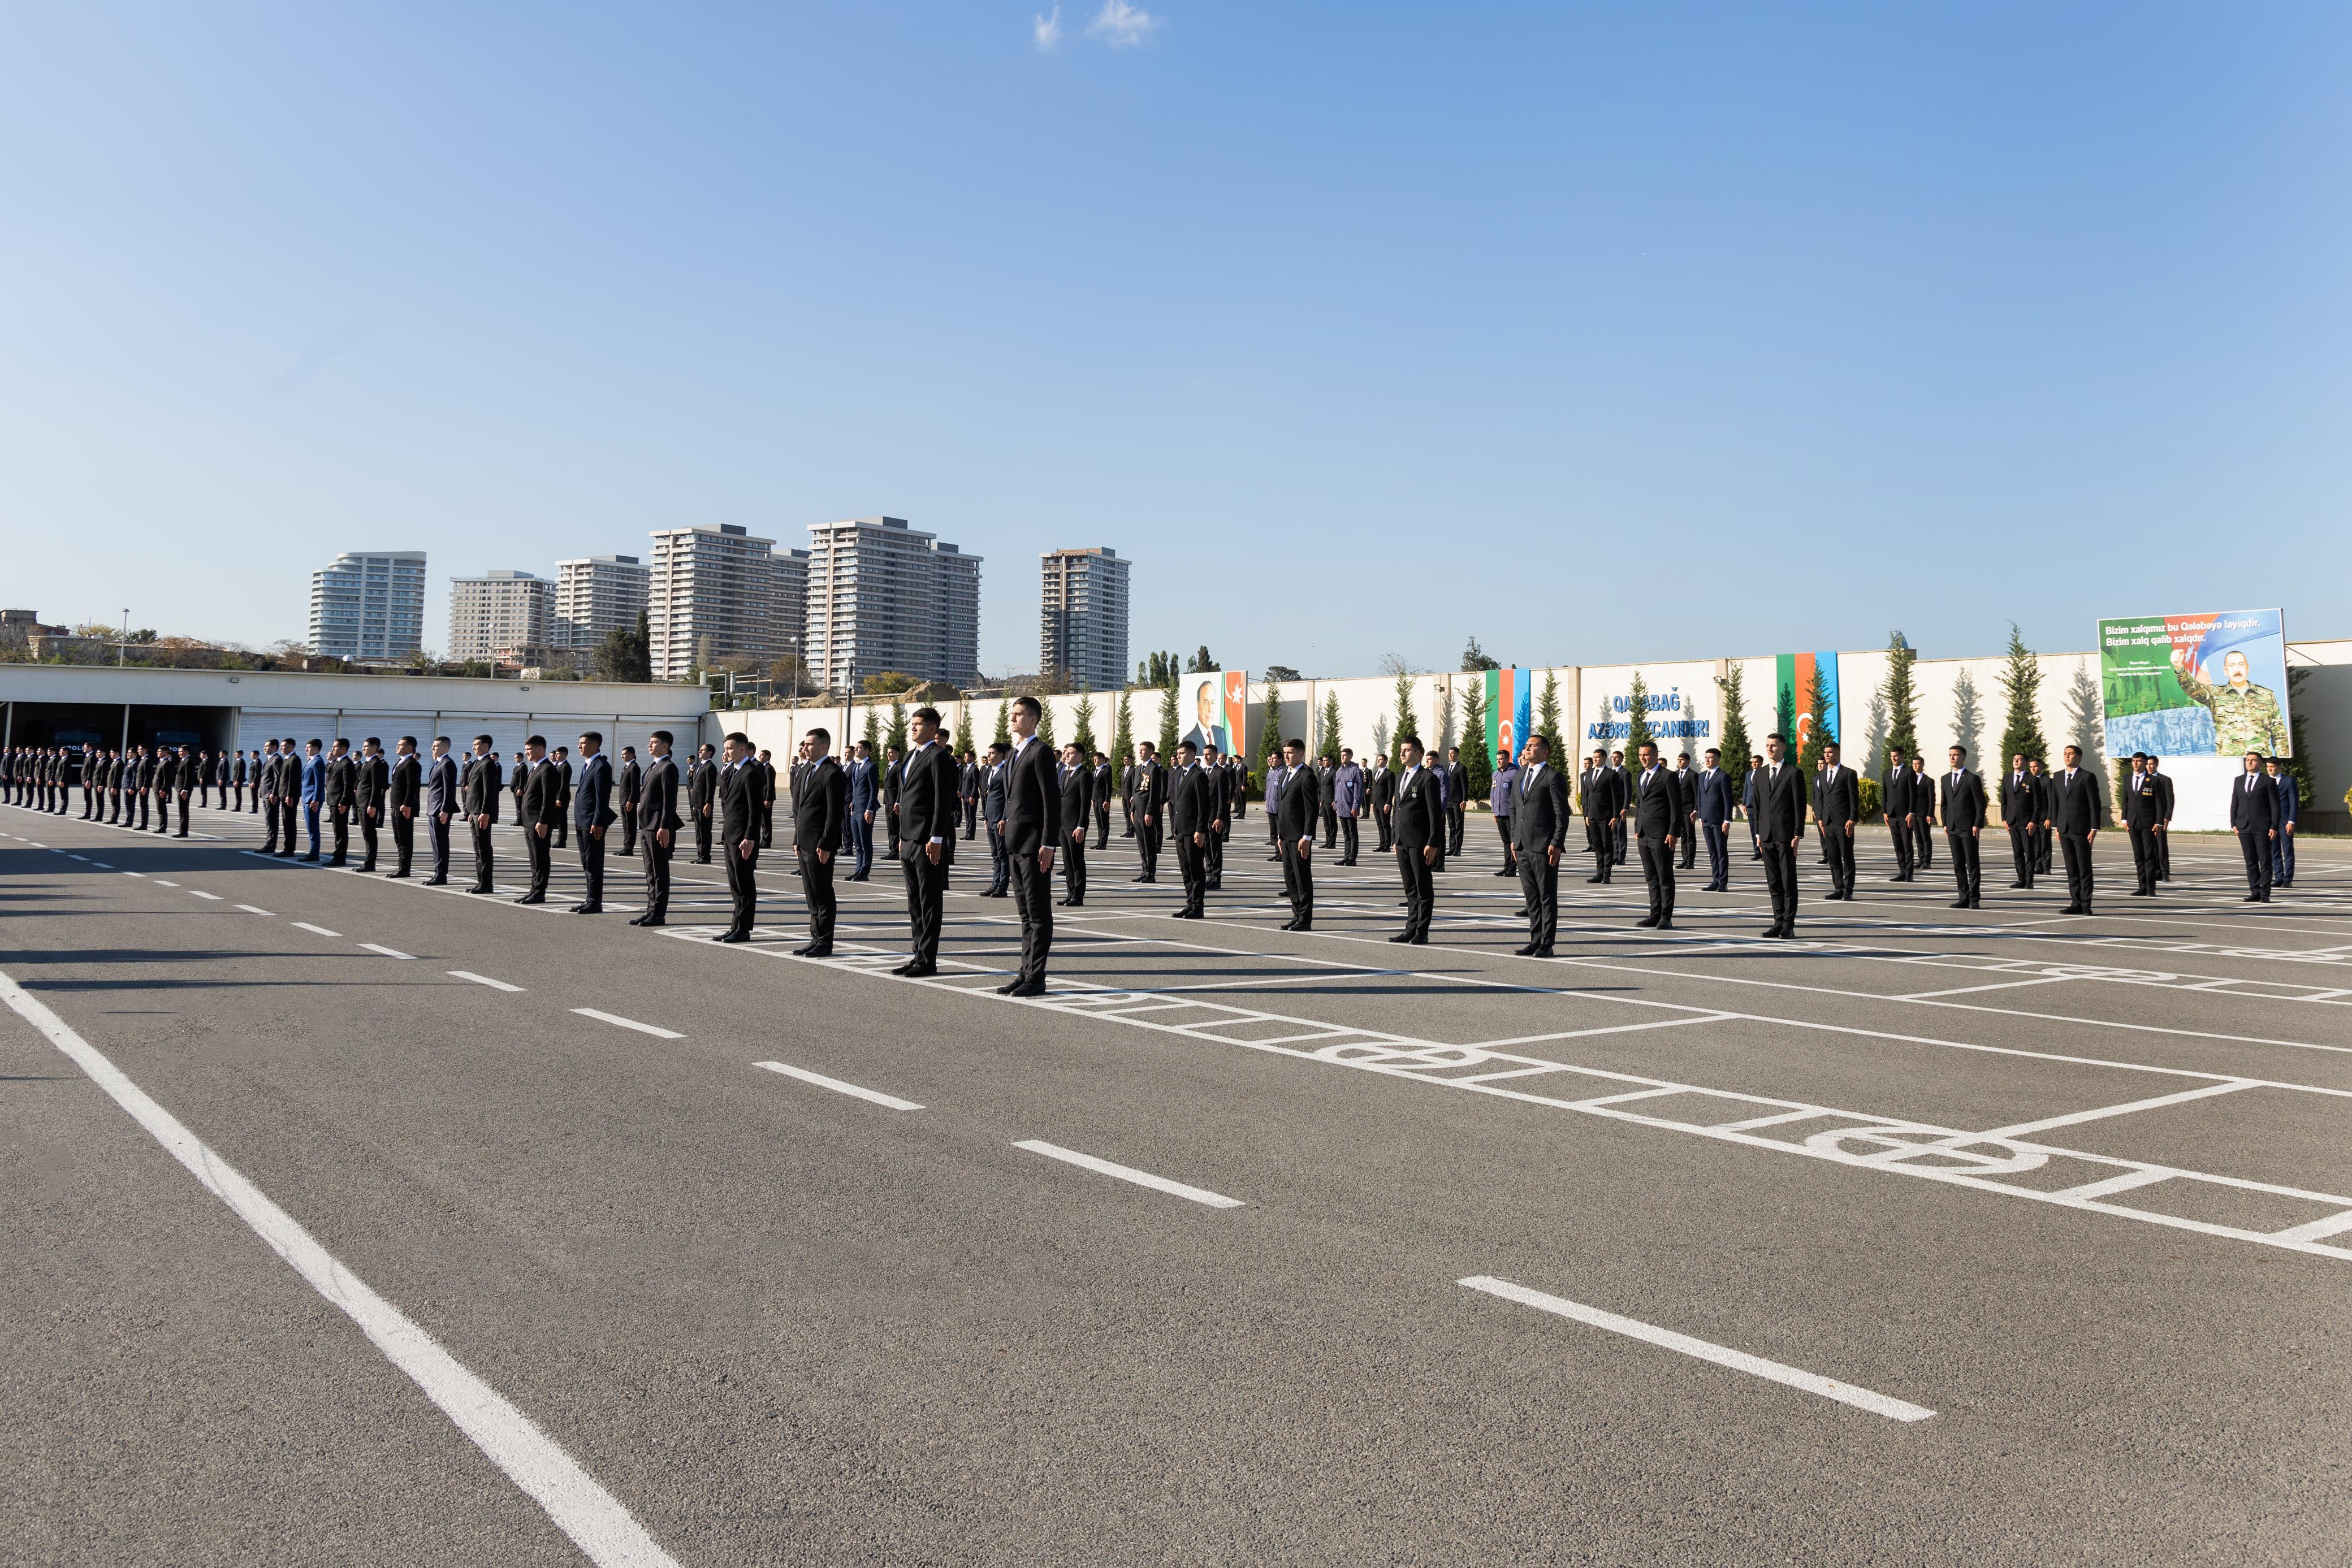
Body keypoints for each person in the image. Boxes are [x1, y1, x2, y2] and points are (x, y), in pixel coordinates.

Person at [997, 696, 1062, 988]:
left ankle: (1036, 977)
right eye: (1012, 714)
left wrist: (1048, 843)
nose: (1013, 719)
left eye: (1018, 714)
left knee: (1037, 912)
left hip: (1035, 845)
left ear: (1033, 719)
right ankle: (1025, 973)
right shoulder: (1014, 753)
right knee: (1025, 913)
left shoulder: (1041, 752)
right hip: (1015, 842)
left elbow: (1051, 802)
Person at [894, 707, 957, 977]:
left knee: (929, 900)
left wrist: (936, 837)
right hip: (908, 839)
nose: (913, 728)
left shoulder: (938, 757)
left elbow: (943, 801)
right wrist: (901, 836)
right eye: (912, 724)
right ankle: (917, 954)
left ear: (933, 729)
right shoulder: (911, 756)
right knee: (914, 901)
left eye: (919, 724)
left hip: (927, 840)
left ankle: (928, 960)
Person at [788, 727, 846, 954]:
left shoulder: (833, 773)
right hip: (804, 842)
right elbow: (800, 809)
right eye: (805, 744)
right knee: (811, 894)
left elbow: (834, 814)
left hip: (820, 844)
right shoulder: (805, 771)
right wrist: (796, 838)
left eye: (810, 744)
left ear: (824, 746)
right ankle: (815, 938)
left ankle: (825, 942)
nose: (805, 748)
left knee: (822, 893)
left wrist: (827, 843)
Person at [2173, 645, 2289, 757]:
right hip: (2228, 761)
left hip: (2260, 762)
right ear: (2225, 670)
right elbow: (2192, 688)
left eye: (2241, 665)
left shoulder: (2266, 695)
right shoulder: (2215, 694)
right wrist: (2179, 668)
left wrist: (2282, 759)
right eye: (2232, 665)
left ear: (2247, 668)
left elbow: (2280, 733)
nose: (2237, 669)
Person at [1511, 734, 1569, 956]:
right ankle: (1535, 939)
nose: (1527, 750)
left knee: (1546, 895)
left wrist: (1556, 843)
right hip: (1523, 845)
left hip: (1544, 845)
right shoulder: (1520, 775)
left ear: (1545, 751)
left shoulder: (1553, 776)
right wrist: (1514, 840)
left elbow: (1561, 812)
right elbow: (1515, 809)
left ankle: (1547, 942)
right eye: (1526, 746)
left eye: (1532, 746)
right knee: (1531, 896)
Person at [704, 732, 760, 941]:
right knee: (735, 884)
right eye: (725, 748)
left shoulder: (751, 772)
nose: (726, 752)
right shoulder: (733, 771)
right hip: (730, 836)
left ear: (743, 750)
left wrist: (750, 837)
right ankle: (735, 925)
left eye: (730, 748)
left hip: (743, 838)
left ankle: (744, 929)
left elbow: (755, 810)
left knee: (745, 883)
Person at [1751, 733, 1807, 938]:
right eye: (1767, 745)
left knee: (1788, 879)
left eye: (1774, 746)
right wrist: (1757, 832)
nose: (1770, 749)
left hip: (1785, 835)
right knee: (1773, 880)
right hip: (1766, 835)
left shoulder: (1793, 773)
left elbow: (1799, 806)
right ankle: (1777, 921)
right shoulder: (1760, 774)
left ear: (1783, 748)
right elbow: (1757, 806)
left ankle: (1788, 925)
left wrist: (1797, 834)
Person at [1389, 737, 1443, 945]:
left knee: (1423, 887)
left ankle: (1422, 930)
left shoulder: (1427, 779)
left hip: (1420, 842)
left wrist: (1433, 843)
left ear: (1419, 753)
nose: (1403, 754)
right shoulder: (1400, 776)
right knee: (1410, 888)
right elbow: (1398, 810)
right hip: (1403, 841)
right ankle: (1410, 929)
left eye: (1408, 750)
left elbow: (1434, 814)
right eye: (1401, 750)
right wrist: (1395, 838)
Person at [1629, 742, 1684, 929]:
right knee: (1651, 877)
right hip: (1644, 834)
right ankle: (1654, 914)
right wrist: (1637, 827)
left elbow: (1676, 806)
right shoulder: (1641, 776)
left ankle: (1666, 917)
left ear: (1655, 755)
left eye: (1646, 755)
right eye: (1640, 755)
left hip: (1662, 834)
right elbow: (1640, 804)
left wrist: (1674, 832)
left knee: (1665, 877)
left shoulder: (1668, 776)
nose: (1643, 758)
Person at [631, 731, 681, 926]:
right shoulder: (654, 765)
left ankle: (659, 913)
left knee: (660, 871)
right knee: (650, 871)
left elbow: (670, 801)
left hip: (657, 826)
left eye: (654, 742)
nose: (649, 745)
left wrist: (664, 826)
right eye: (650, 741)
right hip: (646, 825)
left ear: (665, 746)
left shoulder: (668, 768)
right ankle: (650, 909)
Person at [2046, 744, 2102, 916]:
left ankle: (2086, 904)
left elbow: (2095, 804)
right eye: (2065, 754)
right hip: (2063, 828)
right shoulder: (2057, 777)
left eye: (2071, 754)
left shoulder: (2087, 777)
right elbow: (2054, 803)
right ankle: (2075, 902)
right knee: (2071, 868)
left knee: (2084, 867)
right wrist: (2056, 826)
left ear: (2079, 757)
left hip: (2082, 828)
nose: (2067, 757)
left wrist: (2094, 828)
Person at [1272, 738, 1319, 931]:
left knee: (1302, 878)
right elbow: (1283, 807)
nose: (1287, 756)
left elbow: (1312, 809)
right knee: (1290, 878)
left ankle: (1305, 919)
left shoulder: (1306, 776)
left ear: (1301, 754)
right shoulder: (1285, 774)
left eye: (1291, 752)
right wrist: (1279, 835)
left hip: (1300, 837)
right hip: (1286, 835)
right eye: (1285, 752)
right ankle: (1296, 913)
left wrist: (1307, 837)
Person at [570, 730, 616, 913]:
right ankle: (589, 898)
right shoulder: (588, 765)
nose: (579, 746)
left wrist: (598, 823)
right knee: (587, 863)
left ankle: (595, 902)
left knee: (594, 863)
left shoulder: (601, 766)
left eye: (583, 743)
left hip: (592, 823)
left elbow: (602, 798)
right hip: (582, 821)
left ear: (595, 745)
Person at [1168, 739, 1213, 920]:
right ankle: (1189, 903)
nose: (1178, 756)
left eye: (1182, 753)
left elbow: (1204, 805)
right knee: (1186, 870)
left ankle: (1198, 906)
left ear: (1192, 755)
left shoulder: (1198, 775)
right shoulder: (1178, 773)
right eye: (1178, 753)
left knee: (1196, 870)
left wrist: (1200, 830)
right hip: (1180, 830)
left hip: (1194, 831)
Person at [514, 737, 560, 904]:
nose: (526, 752)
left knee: (541, 857)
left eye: (529, 749)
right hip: (529, 822)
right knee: (534, 858)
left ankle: (540, 891)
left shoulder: (547, 769)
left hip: (538, 822)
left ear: (540, 749)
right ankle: (534, 889)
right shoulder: (534, 768)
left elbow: (548, 799)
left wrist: (543, 821)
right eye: (526, 749)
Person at [1940, 746, 1986, 909]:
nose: (1953, 758)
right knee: (1958, 864)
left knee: (1972, 864)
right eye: (1950, 755)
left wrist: (1977, 824)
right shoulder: (1945, 779)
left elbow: (1980, 803)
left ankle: (1974, 898)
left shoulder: (1972, 778)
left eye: (1956, 755)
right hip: (1952, 827)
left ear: (1964, 757)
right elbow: (1944, 803)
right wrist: (1945, 823)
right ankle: (1963, 897)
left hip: (1968, 827)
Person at [2229, 750, 2278, 902]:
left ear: (2261, 764)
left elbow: (2275, 806)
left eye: (2254, 760)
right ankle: (2254, 890)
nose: (2250, 762)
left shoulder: (2268, 781)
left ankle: (2265, 892)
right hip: (2244, 826)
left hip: (2262, 826)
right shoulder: (2239, 780)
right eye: (2248, 760)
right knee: (2250, 860)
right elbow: (2235, 802)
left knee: (2264, 860)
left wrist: (2274, 826)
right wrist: (2234, 823)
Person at [1814, 742, 1858, 901]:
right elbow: (1819, 798)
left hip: (1843, 822)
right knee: (1833, 857)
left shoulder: (1848, 774)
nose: (1827, 755)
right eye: (1825, 752)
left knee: (1847, 856)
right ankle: (1838, 887)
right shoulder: (1821, 774)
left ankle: (1848, 889)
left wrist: (1852, 818)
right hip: (1827, 822)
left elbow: (1854, 799)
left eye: (1830, 752)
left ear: (1838, 754)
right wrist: (1819, 818)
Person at [461, 735, 502, 893]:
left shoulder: (488, 764)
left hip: (481, 813)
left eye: (477, 744)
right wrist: (472, 811)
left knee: (484, 848)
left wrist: (484, 812)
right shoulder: (478, 762)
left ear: (486, 746)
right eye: (473, 744)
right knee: (478, 847)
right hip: (475, 811)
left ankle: (486, 884)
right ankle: (480, 881)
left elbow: (488, 791)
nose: (474, 747)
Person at [1694, 747, 1734, 893]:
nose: (1707, 760)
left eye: (1711, 757)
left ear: (1717, 760)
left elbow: (1728, 800)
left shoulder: (1723, 776)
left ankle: (1723, 882)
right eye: (1706, 757)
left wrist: (1727, 820)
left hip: (1719, 821)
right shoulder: (1702, 776)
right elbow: (1700, 796)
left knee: (1721, 852)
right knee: (1712, 852)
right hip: (1706, 819)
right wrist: (1699, 815)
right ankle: (1715, 880)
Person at [2122, 753, 2163, 897]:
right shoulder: (2128, 779)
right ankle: (2142, 886)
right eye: (2133, 761)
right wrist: (2124, 819)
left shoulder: (2153, 780)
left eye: (2139, 761)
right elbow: (2125, 801)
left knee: (2149, 855)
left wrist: (2158, 822)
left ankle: (2151, 887)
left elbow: (2159, 803)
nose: (2135, 763)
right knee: (2138, 856)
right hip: (2133, 822)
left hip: (2148, 823)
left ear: (2145, 763)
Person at [1580, 751, 1623, 884]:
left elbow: (1616, 797)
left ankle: (1607, 874)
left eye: (1598, 757)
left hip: (1606, 816)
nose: (1595, 759)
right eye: (1594, 757)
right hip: (1592, 815)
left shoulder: (1611, 775)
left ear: (1604, 758)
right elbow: (1587, 796)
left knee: (1607, 845)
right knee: (1597, 845)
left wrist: (1615, 816)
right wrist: (1586, 814)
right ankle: (1599, 872)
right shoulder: (1589, 774)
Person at [1058, 741, 1092, 907]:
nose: (1066, 756)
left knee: (1077, 860)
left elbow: (1085, 803)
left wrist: (1081, 826)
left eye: (1070, 753)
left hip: (1075, 824)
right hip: (1063, 824)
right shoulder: (1064, 773)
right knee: (1067, 861)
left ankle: (1078, 896)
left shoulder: (1084, 775)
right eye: (1066, 753)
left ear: (1079, 756)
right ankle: (1070, 893)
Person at [976, 740, 1011, 897]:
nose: (989, 755)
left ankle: (1002, 887)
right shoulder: (989, 770)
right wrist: (985, 817)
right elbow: (987, 796)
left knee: (1003, 854)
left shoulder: (1005, 772)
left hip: (1000, 819)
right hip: (990, 817)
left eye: (992, 753)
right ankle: (994, 884)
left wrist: (1004, 818)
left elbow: (1007, 797)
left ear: (1001, 755)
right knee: (995, 854)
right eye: (988, 753)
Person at [422, 737, 457, 884]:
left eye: (436, 746)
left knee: (441, 843)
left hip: (440, 810)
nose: (432, 748)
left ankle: (441, 875)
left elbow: (449, 790)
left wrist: (445, 809)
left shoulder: (448, 764)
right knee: (436, 843)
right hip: (433, 809)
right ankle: (438, 872)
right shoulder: (438, 763)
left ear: (444, 748)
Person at [1130, 742, 1166, 882]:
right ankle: (1144, 870)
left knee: (1149, 843)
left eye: (1143, 750)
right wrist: (1132, 810)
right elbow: (1135, 791)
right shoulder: (1138, 768)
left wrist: (1150, 812)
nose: (1140, 752)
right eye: (1139, 750)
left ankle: (1151, 873)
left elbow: (1154, 792)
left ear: (1151, 752)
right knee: (1141, 843)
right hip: (1138, 811)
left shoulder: (1154, 769)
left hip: (1147, 812)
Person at [2002, 754, 2039, 889]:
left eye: (2020, 759)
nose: (2016, 761)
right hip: (2012, 821)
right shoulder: (2007, 778)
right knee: (2017, 852)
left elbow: (2037, 803)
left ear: (2026, 763)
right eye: (2014, 759)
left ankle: (2030, 881)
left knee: (2028, 852)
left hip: (2027, 821)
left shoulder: (2032, 780)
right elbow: (2004, 800)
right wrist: (2004, 818)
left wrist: (2034, 821)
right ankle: (2021, 879)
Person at [1880, 744, 1914, 882]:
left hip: (1905, 814)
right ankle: (1902, 871)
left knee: (1907, 844)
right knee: (1898, 845)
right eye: (1892, 756)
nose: (1893, 758)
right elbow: (1885, 794)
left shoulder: (1909, 772)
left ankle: (1909, 873)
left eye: (1896, 756)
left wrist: (1911, 812)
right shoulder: (1887, 773)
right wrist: (1884, 811)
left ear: (1902, 756)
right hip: (1892, 814)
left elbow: (1913, 794)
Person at [354, 738, 387, 871]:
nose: (363, 749)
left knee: (370, 834)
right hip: (361, 802)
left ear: (374, 748)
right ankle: (368, 861)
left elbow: (376, 786)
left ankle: (370, 863)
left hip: (368, 804)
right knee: (366, 833)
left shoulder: (376, 764)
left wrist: (373, 805)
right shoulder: (367, 763)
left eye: (366, 746)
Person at [846, 740, 877, 881]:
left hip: (866, 809)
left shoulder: (871, 767)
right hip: (856, 809)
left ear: (867, 751)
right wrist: (853, 804)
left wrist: (870, 809)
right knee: (857, 843)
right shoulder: (857, 767)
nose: (856, 750)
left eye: (859, 748)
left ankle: (864, 872)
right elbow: (856, 788)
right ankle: (858, 869)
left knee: (865, 842)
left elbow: (873, 790)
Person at [1489, 746, 1520, 878]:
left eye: (1502, 759)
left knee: (1513, 841)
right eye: (1498, 760)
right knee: (1506, 842)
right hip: (1499, 812)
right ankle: (1507, 866)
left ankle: (1513, 867)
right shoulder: (1495, 774)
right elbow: (1493, 793)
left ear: (1508, 759)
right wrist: (1493, 810)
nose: (1499, 762)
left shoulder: (1515, 774)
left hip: (1510, 813)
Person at [1331, 747, 1365, 867]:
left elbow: (1358, 791)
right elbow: (1337, 789)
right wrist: (1335, 802)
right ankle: (1346, 856)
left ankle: (1352, 858)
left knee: (1352, 833)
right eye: (1341, 755)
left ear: (1350, 756)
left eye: (1345, 755)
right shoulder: (1339, 771)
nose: (1342, 757)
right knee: (1346, 833)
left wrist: (1356, 806)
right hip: (1341, 807)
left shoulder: (1355, 771)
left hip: (1351, 807)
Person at [2268, 755, 2298, 887]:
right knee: (2274, 851)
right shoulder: (2264, 781)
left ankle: (2288, 879)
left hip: (2285, 821)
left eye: (2273, 767)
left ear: (2279, 767)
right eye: (2268, 767)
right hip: (2270, 822)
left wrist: (2291, 821)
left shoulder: (2288, 781)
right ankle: (2279, 877)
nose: (2270, 770)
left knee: (2288, 851)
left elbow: (2293, 801)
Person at [2147, 756, 2175, 881]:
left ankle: (2165, 872)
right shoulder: (2144, 779)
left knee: (2161, 845)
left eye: (2152, 764)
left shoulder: (2165, 780)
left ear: (2157, 765)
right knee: (2149, 846)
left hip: (2160, 818)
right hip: (2147, 818)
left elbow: (2170, 800)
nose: (2149, 766)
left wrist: (2167, 817)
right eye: (2147, 764)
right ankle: (2155, 871)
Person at [689, 743, 717, 863]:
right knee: (698, 831)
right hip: (696, 803)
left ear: (709, 753)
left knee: (705, 831)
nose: (700, 752)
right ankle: (700, 854)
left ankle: (706, 856)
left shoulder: (710, 767)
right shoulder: (700, 766)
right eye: (700, 750)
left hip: (704, 804)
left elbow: (711, 787)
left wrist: (708, 803)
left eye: (703, 750)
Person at [1908, 753, 1936, 870]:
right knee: (1918, 838)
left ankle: (1927, 861)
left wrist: (1930, 814)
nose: (1916, 766)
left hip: (1924, 814)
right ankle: (1920, 860)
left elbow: (1932, 799)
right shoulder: (1910, 778)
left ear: (1923, 765)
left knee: (1926, 838)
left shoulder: (1928, 781)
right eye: (1914, 764)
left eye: (1918, 764)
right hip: (1913, 814)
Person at [1443, 746, 1470, 859]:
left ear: (1458, 755)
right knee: (1451, 826)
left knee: (1459, 825)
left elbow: (1465, 785)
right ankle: (1452, 847)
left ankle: (1458, 849)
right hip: (1448, 801)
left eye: (1453, 753)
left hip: (1458, 801)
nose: (1451, 755)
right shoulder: (1446, 768)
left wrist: (1464, 800)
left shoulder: (1461, 768)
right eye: (1449, 753)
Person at [1673, 752, 1698, 870]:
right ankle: (1684, 859)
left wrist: (1696, 809)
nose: (1680, 762)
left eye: (1682, 760)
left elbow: (1697, 794)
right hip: (1678, 810)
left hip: (1689, 810)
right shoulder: (1675, 774)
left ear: (1688, 761)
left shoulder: (1693, 775)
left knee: (1690, 836)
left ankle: (1691, 861)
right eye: (1678, 759)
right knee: (1682, 836)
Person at [616, 745, 641, 859]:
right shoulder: (627, 767)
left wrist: (631, 800)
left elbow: (635, 786)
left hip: (629, 801)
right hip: (624, 800)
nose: (622, 756)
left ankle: (629, 847)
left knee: (630, 824)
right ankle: (626, 845)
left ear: (631, 754)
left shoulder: (634, 767)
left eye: (624, 754)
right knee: (626, 824)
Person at [1091, 751, 1113, 848]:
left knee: (1104, 822)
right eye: (1094, 759)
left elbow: (1109, 787)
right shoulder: (1094, 771)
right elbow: (1093, 786)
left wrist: (1107, 800)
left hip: (1103, 800)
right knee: (1099, 822)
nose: (1095, 761)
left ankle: (1103, 843)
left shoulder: (1106, 770)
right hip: (1096, 800)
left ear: (1102, 760)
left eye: (1097, 759)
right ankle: (1099, 842)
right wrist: (1092, 799)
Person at [959, 749, 982, 840]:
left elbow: (975, 784)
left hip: (971, 797)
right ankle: (967, 833)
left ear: (972, 758)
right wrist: (962, 796)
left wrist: (972, 796)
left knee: (972, 816)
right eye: (965, 756)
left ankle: (971, 835)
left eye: (967, 756)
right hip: (965, 796)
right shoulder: (965, 768)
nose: (965, 758)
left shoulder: (975, 769)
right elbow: (963, 783)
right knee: (967, 816)